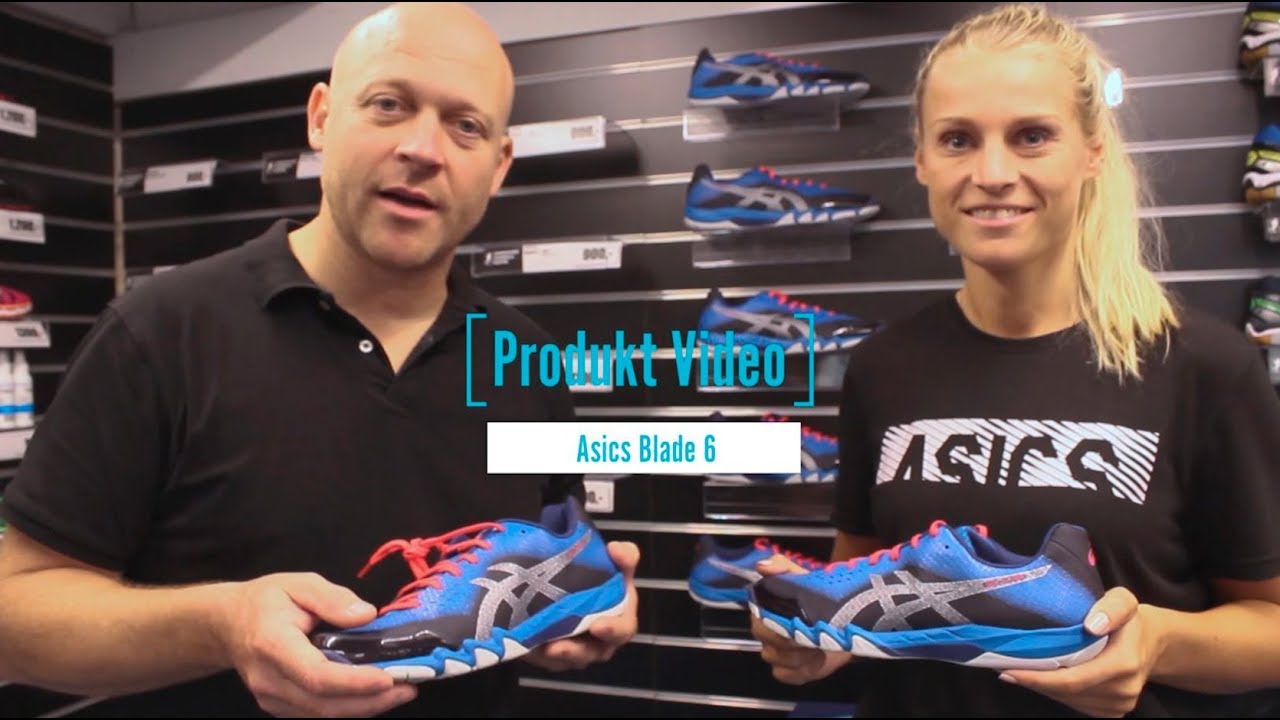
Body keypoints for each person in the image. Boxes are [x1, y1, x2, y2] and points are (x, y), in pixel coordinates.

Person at [0, 3, 638, 717]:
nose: (423, 149)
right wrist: (221, 627)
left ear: (498, 165)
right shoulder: (158, 333)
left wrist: (567, 606)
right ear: (322, 118)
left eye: (466, 126)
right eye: (389, 104)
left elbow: (551, 545)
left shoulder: (526, 357)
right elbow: (12, 614)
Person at [753, 3, 1280, 717]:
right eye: (958, 140)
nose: (993, 172)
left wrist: (1157, 642)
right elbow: (870, 588)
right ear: (922, 159)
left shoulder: (1203, 367)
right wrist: (828, 645)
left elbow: (1271, 627)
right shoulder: (883, 367)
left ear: (1092, 150)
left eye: (1032, 136)